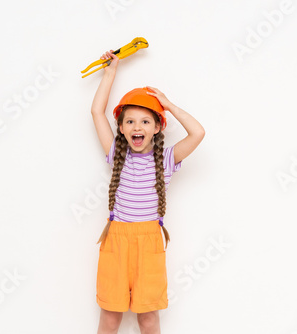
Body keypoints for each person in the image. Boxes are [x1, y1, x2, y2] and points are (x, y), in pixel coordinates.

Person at [91, 49, 205, 334]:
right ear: (121, 127)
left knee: (149, 318)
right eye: (130, 121)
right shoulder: (116, 152)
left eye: (145, 121)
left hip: (149, 241)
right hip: (116, 240)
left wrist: (168, 104)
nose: (137, 126)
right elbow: (96, 112)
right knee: (110, 316)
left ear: (157, 127)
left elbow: (198, 133)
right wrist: (110, 73)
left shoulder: (167, 159)